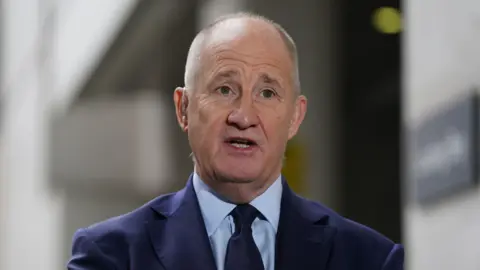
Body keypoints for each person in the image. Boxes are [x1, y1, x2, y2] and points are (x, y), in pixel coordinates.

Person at [67, 12, 404, 270]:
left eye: (267, 92)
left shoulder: (370, 259)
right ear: (183, 108)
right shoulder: (109, 255)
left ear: (295, 117)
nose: (243, 116)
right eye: (224, 89)